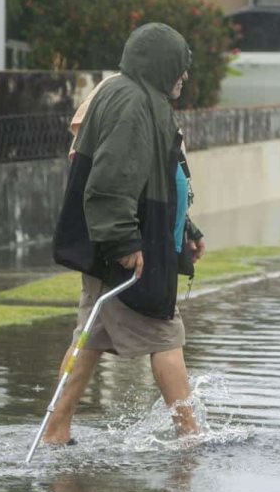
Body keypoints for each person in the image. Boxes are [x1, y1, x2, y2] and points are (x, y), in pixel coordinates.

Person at [45, 22, 205, 445]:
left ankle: (55, 430)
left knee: (89, 340)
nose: (184, 77)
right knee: (167, 336)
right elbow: (111, 181)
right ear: (159, 65)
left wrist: (185, 229)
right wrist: (124, 243)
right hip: (128, 250)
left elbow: (157, 177)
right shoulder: (132, 103)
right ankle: (191, 439)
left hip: (128, 243)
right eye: (179, 67)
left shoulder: (141, 100)